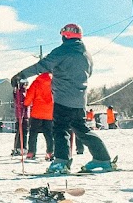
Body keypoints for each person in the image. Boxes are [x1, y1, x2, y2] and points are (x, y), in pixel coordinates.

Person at [12, 24, 114, 173]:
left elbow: (42, 65)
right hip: (80, 100)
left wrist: (20, 75)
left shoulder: (62, 51)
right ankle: (102, 158)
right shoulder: (86, 54)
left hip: (63, 98)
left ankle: (61, 161)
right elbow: (89, 73)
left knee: (60, 130)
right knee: (81, 129)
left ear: (65, 36)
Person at [24, 72, 54, 160]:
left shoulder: (36, 82)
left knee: (33, 133)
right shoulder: (54, 82)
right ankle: (50, 152)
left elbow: (29, 96)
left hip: (37, 112)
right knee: (49, 134)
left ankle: (31, 152)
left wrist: (26, 103)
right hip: (49, 113)